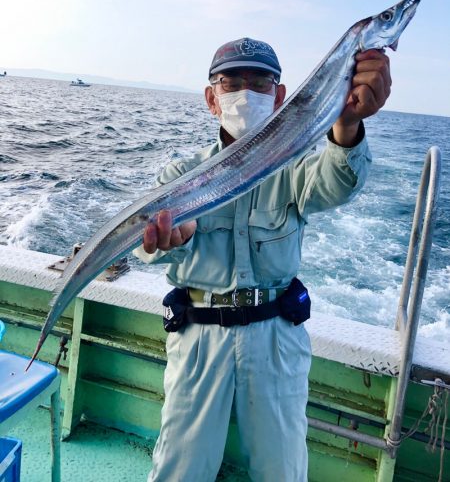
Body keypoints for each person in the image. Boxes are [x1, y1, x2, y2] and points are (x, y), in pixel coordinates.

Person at [134, 37, 391, 481]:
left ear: (280, 96)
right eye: (232, 81)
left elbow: (337, 181)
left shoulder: (294, 167)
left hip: (276, 337)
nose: (245, 91)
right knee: (181, 469)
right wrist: (170, 241)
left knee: (283, 471)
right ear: (212, 98)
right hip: (198, 336)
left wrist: (346, 125)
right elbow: (145, 245)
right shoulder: (181, 175)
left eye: (260, 81)